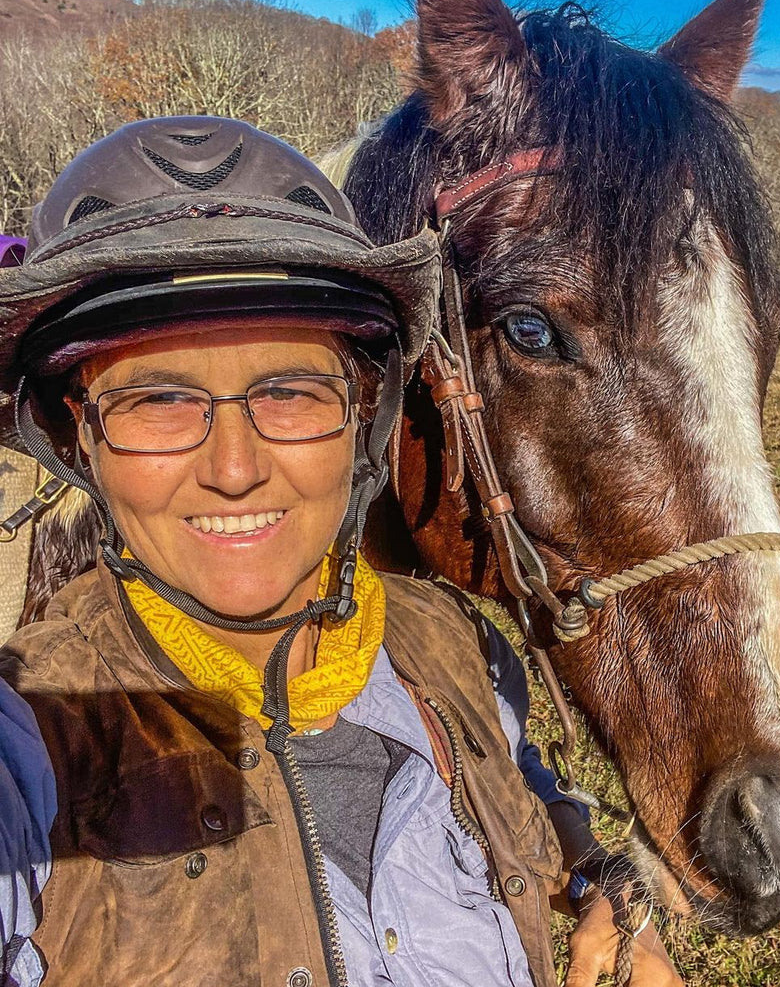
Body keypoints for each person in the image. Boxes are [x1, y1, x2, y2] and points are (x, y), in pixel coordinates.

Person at [0, 116, 681, 986]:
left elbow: (523, 782)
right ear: (77, 436)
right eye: (159, 401)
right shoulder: (36, 738)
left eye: (290, 391)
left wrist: (600, 882)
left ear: (366, 413)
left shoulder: (452, 647)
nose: (235, 470)